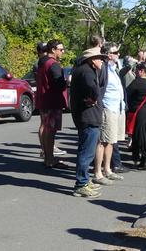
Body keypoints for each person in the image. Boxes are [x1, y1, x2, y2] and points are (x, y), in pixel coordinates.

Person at [70, 47, 106, 198]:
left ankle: (84, 181)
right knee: (86, 152)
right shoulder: (86, 71)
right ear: (91, 60)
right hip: (88, 117)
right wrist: (94, 98)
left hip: (86, 116)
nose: (101, 61)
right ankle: (81, 184)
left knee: (86, 151)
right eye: (99, 58)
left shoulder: (82, 70)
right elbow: (93, 89)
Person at [92, 43, 126, 185]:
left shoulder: (113, 69)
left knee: (112, 140)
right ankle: (97, 172)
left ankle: (108, 169)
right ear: (109, 55)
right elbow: (99, 88)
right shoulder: (104, 68)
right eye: (116, 52)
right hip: (107, 107)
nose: (118, 54)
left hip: (117, 107)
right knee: (102, 141)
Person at [35, 39, 68, 169]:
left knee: (46, 128)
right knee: (51, 131)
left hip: (44, 100)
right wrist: (67, 81)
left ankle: (47, 155)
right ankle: (50, 158)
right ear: (53, 50)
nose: (63, 52)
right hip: (52, 101)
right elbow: (58, 84)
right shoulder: (53, 64)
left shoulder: (42, 62)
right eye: (61, 49)